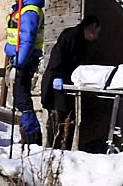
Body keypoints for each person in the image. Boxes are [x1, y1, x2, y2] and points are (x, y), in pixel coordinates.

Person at [40, 15, 102, 149]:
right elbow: (58, 56)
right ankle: (55, 147)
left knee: (69, 115)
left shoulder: (84, 42)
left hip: (69, 84)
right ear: (91, 28)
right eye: (96, 32)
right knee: (59, 114)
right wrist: (57, 76)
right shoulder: (70, 36)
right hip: (57, 82)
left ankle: (64, 147)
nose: (96, 36)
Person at [4, 0, 45, 145]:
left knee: (22, 99)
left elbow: (27, 40)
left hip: (25, 60)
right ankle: (28, 134)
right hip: (19, 58)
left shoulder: (29, 11)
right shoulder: (21, 10)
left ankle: (31, 136)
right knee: (19, 98)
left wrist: (18, 65)